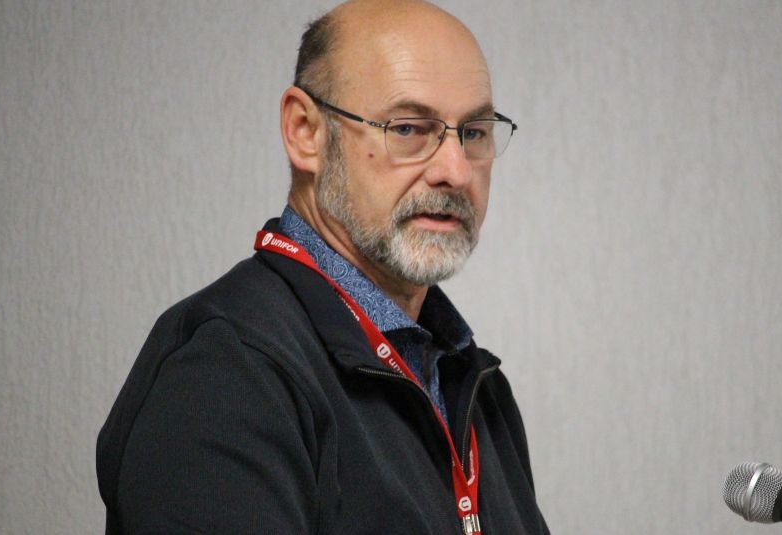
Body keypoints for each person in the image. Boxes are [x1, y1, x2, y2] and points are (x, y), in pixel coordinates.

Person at [96, 0, 549, 533]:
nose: (454, 169)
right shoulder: (226, 372)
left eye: (473, 133)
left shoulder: (469, 379)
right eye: (408, 128)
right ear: (305, 132)